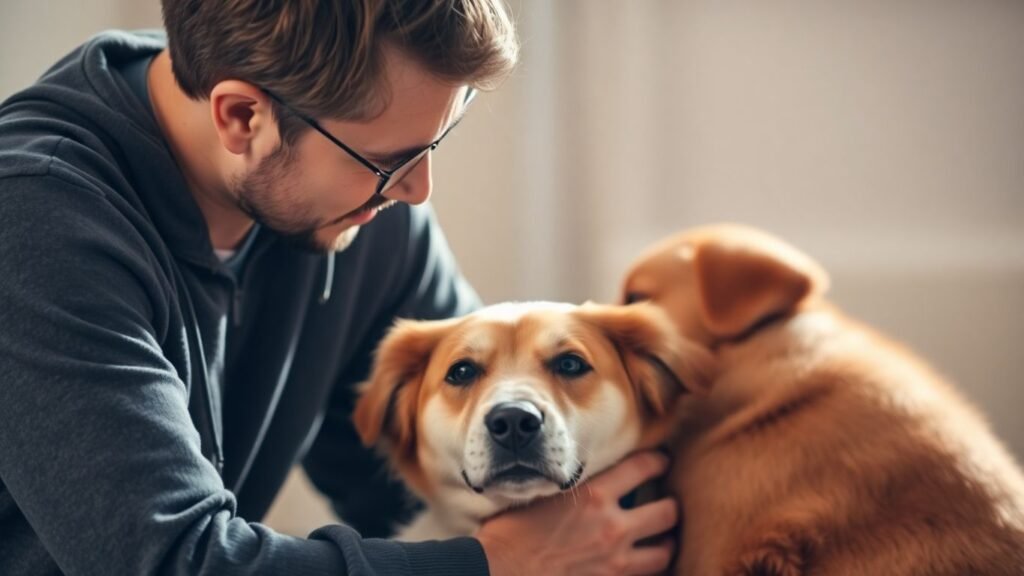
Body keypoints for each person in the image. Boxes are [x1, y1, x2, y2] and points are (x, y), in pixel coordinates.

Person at [0, 1, 678, 574]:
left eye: (432, 146)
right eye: (389, 161)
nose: (416, 193)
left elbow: (427, 473)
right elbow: (179, 560)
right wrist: (491, 564)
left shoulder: (358, 212)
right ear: (241, 118)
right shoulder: (33, 224)